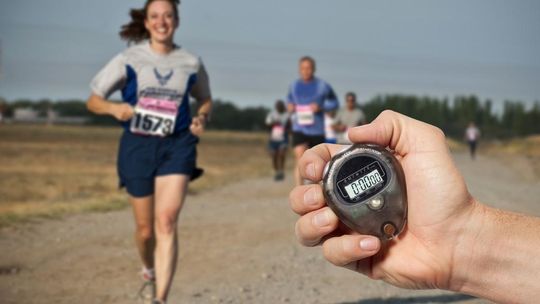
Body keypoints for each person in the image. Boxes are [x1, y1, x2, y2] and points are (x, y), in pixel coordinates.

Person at [289, 110, 540, 303]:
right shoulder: (373, 163)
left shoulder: (370, 161)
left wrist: (461, 244)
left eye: (370, 180)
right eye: (358, 187)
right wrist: (463, 251)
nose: (373, 198)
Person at [86, 1, 212, 303]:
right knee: (145, 231)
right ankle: (148, 269)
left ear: (177, 21)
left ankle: (160, 299)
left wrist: (202, 117)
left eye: (168, 15)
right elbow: (93, 100)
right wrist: (115, 109)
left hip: (177, 145)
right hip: (138, 146)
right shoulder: (129, 58)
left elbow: (205, 98)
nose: (162, 21)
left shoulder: (191, 62)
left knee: (166, 221)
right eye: (155, 16)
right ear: (146, 22)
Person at [287, 56, 339, 185]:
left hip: (317, 130)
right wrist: (290, 106)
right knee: (300, 157)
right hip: (299, 128)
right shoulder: (294, 86)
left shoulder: (323, 86)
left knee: (315, 162)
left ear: (314, 69)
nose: (306, 71)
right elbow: (289, 101)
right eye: (303, 68)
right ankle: (300, 189)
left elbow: (335, 103)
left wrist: (321, 107)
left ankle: (314, 190)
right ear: (299, 70)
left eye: (309, 68)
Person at [266, 100, 290, 181]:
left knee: (282, 153)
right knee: (274, 155)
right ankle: (276, 171)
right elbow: (267, 124)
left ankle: (281, 170)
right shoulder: (272, 114)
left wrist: (287, 128)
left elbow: (290, 125)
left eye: (280, 106)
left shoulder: (287, 115)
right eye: (277, 106)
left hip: (283, 138)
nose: (279, 107)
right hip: (274, 137)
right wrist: (274, 122)